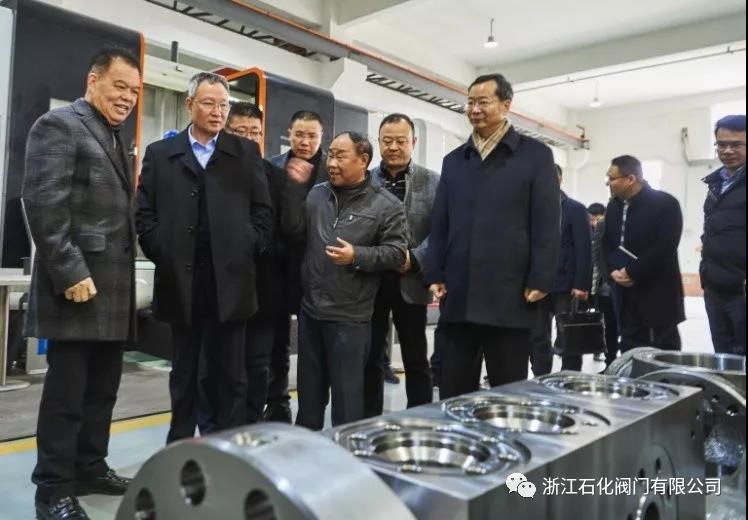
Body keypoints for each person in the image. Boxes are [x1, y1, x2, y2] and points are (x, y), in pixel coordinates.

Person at [23, 47, 140, 520]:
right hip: (78, 286)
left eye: (134, 91)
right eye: (120, 86)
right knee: (67, 396)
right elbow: (43, 205)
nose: (128, 97)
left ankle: (89, 466)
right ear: (94, 79)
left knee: (102, 390)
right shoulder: (60, 125)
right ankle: (52, 489)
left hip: (111, 289)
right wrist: (70, 271)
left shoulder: (112, 135)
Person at [136, 72, 273, 443]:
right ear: (190, 104)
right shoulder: (161, 154)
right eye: (209, 103)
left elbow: (263, 212)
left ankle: (228, 446)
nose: (217, 112)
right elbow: (144, 213)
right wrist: (162, 250)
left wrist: (247, 245)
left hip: (231, 281)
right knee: (184, 372)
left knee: (231, 373)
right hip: (181, 281)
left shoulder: (244, 153)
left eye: (223, 105)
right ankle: (180, 444)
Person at [425, 73, 561, 399]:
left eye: (483, 102)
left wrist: (541, 277)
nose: (474, 110)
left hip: (511, 293)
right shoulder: (455, 161)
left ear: (506, 104)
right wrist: (435, 271)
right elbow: (440, 222)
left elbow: (546, 222)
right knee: (454, 390)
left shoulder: (535, 156)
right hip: (460, 291)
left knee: (508, 392)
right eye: (470, 103)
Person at [282, 131, 407, 429]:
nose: (331, 163)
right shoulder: (317, 195)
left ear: (363, 160)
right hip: (311, 314)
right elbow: (293, 233)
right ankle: (307, 451)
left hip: (350, 320)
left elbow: (396, 253)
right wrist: (293, 190)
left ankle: (344, 454)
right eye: (331, 155)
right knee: (309, 403)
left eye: (340, 156)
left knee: (347, 405)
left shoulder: (386, 205)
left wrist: (357, 256)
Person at [364, 113, 438, 417]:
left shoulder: (433, 182)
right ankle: (369, 420)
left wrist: (416, 258)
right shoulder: (364, 180)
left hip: (411, 280)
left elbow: (442, 230)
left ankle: (419, 419)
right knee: (369, 358)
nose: (393, 147)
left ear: (413, 142)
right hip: (370, 282)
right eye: (387, 140)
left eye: (401, 141)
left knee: (416, 358)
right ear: (379, 142)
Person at [265, 110, 328, 422]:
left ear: (321, 137)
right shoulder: (273, 166)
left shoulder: (332, 169)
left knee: (312, 343)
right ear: (289, 133)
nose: (305, 141)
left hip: (316, 269)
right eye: (299, 134)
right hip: (277, 270)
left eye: (312, 136)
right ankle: (277, 402)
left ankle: (312, 409)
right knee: (275, 341)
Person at [224, 102, 285, 423]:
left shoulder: (275, 176)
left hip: (264, 290)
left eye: (255, 132)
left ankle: (251, 424)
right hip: (222, 289)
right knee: (223, 365)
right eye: (241, 132)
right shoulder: (212, 170)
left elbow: (284, 230)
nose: (249, 139)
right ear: (226, 132)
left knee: (258, 363)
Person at [602, 155, 685, 352]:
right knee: (630, 346)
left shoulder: (665, 204)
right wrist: (612, 270)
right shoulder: (613, 206)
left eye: (612, 178)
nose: (608, 182)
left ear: (630, 179)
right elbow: (607, 242)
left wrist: (632, 272)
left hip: (657, 290)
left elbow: (666, 245)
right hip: (623, 291)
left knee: (662, 350)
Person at [530, 164, 591, 375]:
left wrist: (581, 284)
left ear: (559, 180)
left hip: (566, 286)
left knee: (569, 335)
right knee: (538, 336)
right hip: (537, 284)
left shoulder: (575, 209)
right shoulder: (531, 210)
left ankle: (570, 377)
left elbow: (584, 249)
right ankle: (540, 377)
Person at [701, 115, 746, 356]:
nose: (727, 150)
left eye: (736, 144)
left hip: (741, 289)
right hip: (715, 287)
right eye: (721, 144)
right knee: (724, 356)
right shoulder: (716, 183)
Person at [587, 202, 620, 366]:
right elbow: (596, 257)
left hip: (618, 284)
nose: (594, 222)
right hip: (604, 286)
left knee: (615, 326)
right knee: (608, 325)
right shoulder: (599, 227)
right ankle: (609, 360)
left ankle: (613, 360)